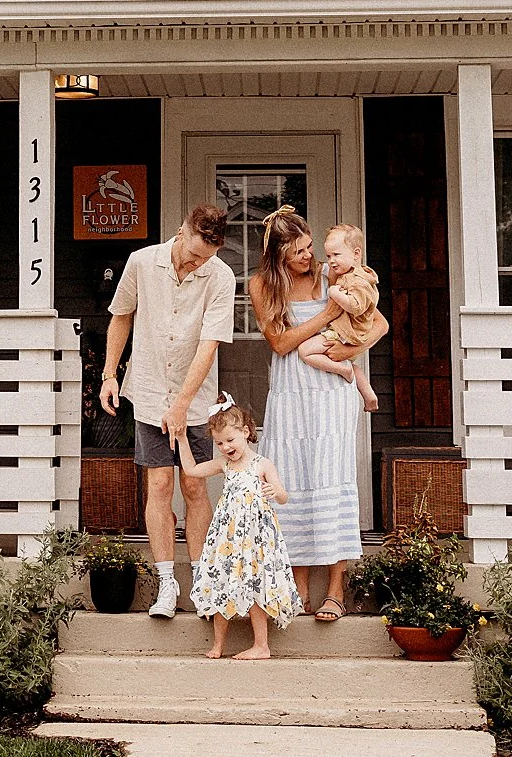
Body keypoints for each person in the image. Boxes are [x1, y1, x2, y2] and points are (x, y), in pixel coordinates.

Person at [98, 203, 236, 619]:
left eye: (206, 257)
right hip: (148, 391)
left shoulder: (221, 276)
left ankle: (202, 581)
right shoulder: (141, 262)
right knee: (158, 487)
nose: (197, 263)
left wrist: (181, 406)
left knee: (195, 488)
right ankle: (166, 584)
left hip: (194, 401)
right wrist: (109, 374)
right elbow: (120, 318)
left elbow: (209, 345)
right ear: (182, 231)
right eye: (193, 254)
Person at [250, 206, 364, 624]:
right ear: (278, 254)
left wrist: (345, 349)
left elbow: (370, 323)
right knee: (292, 481)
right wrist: (326, 316)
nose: (308, 256)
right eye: (298, 251)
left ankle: (335, 587)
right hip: (289, 393)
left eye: (310, 246)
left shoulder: (332, 273)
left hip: (330, 390)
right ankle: (297, 585)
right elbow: (279, 344)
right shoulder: (263, 284)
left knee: (330, 477)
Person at [177, 394, 301, 659]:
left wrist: (274, 491)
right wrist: (181, 439)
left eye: (230, 440)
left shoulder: (262, 464)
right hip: (228, 537)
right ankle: (218, 644)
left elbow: (283, 495)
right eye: (219, 443)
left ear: (246, 432)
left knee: (254, 584)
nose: (225, 447)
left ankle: (261, 645)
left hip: (255, 538)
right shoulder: (225, 464)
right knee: (222, 584)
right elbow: (191, 470)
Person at [294, 223, 388, 412]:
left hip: (345, 331)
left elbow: (356, 306)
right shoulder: (349, 275)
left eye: (336, 255)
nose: (332, 261)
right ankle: (369, 396)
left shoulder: (358, 280)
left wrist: (334, 293)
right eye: (329, 256)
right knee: (351, 365)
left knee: (305, 351)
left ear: (356, 253)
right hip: (346, 331)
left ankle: (344, 370)